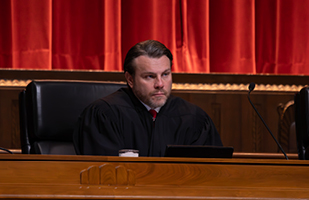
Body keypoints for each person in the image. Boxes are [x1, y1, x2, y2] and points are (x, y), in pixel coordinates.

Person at [73, 40, 222, 156]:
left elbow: (210, 175)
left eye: (165, 74)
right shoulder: (105, 116)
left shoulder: (194, 118)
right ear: (130, 79)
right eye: (150, 76)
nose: (160, 84)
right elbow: (103, 177)